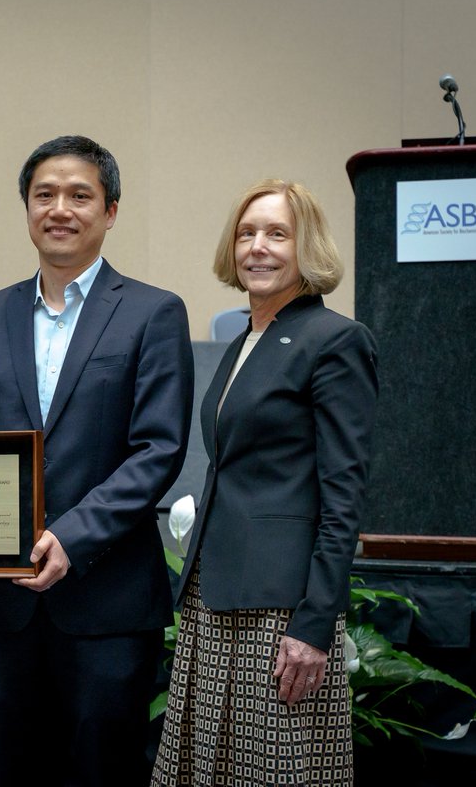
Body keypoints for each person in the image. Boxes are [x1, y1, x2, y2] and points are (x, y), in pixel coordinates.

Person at [0, 135, 194, 786]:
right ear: (26, 208)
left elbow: (158, 448)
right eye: (44, 194)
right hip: (4, 610)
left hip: (107, 602)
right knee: (18, 772)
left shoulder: (152, 313)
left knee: (103, 772)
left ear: (110, 211)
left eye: (80, 195)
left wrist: (70, 537)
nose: (60, 209)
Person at [151, 179, 378, 785]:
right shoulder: (243, 341)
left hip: (281, 608)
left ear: (309, 248)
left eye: (278, 234)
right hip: (214, 594)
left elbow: (343, 494)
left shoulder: (335, 341)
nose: (258, 247)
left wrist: (313, 624)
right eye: (246, 233)